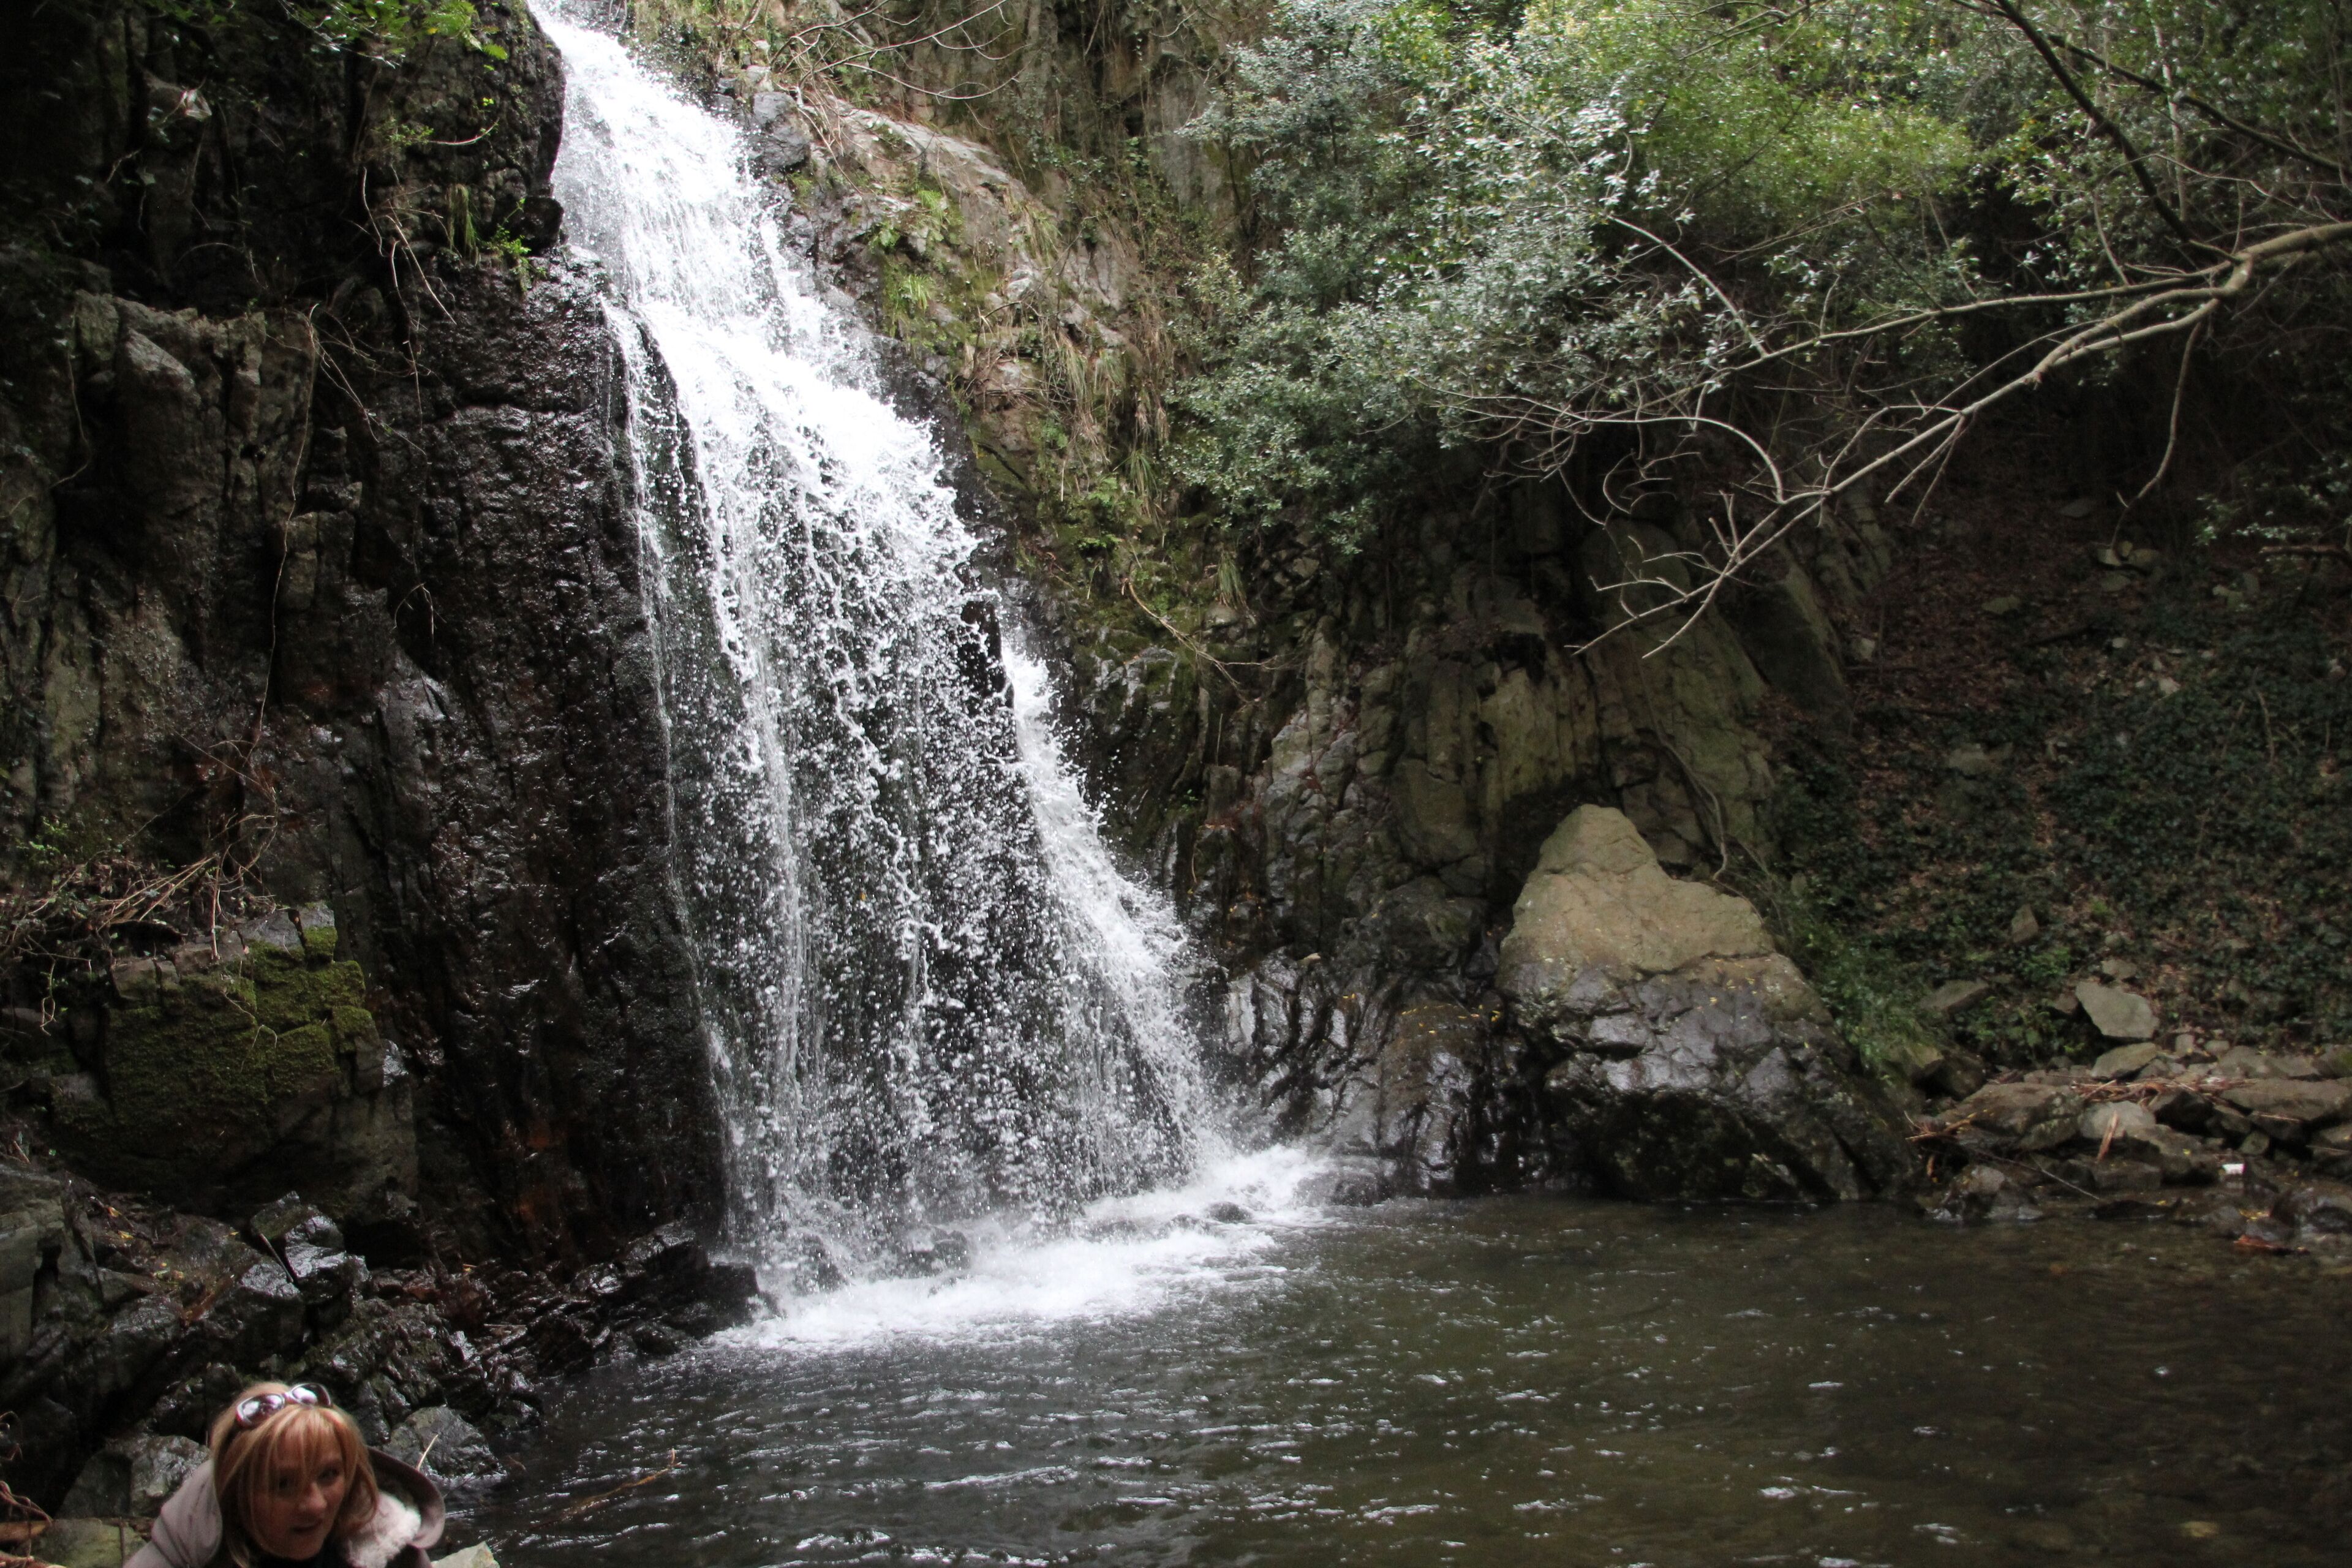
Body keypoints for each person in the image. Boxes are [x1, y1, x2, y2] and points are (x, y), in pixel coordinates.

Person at [127, 1382, 445, 1568]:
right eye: (284, 1484)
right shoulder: (184, 1547)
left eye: (329, 1475)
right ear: (240, 1492)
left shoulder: (391, 1551)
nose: (315, 1505)